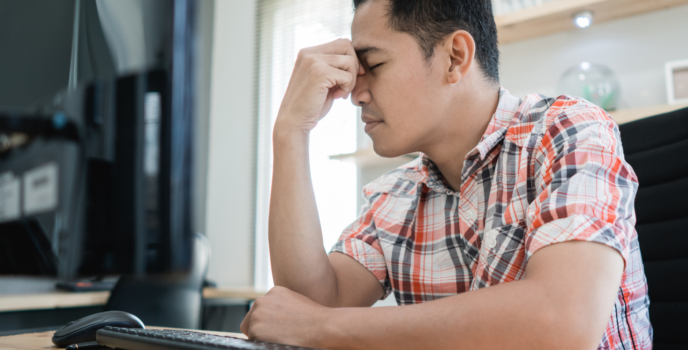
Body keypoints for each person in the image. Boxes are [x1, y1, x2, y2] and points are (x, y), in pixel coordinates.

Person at [239, 0, 651, 349]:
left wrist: (324, 329)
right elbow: (308, 308)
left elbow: (565, 319)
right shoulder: (395, 195)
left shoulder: (569, 130)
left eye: (374, 65)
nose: (355, 94)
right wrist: (291, 131)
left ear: (455, 57)